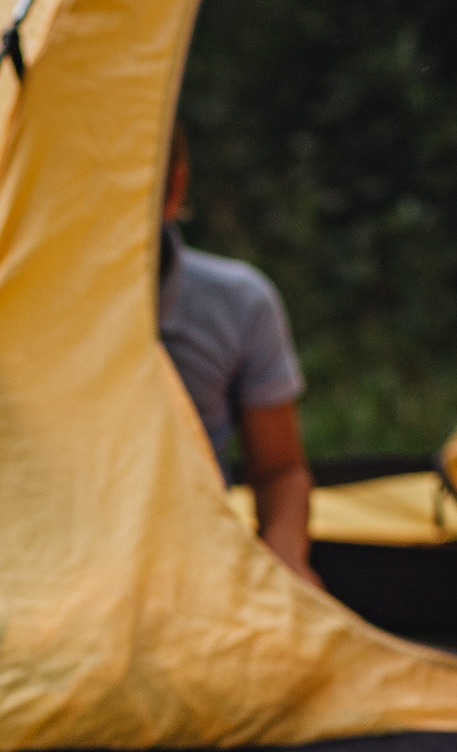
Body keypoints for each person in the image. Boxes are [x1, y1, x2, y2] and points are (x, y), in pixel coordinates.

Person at [158, 126, 318, 587]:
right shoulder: (19, 308)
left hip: (195, 568)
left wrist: (285, 559)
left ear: (173, 188)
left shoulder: (238, 304)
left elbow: (281, 470)